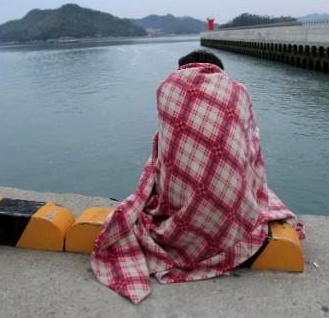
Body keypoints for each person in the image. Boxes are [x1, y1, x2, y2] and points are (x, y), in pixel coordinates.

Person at [91, 49, 305, 304]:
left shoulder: (166, 89)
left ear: (183, 69)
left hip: (180, 206)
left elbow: (165, 154)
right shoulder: (238, 92)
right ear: (219, 70)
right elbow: (251, 151)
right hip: (235, 216)